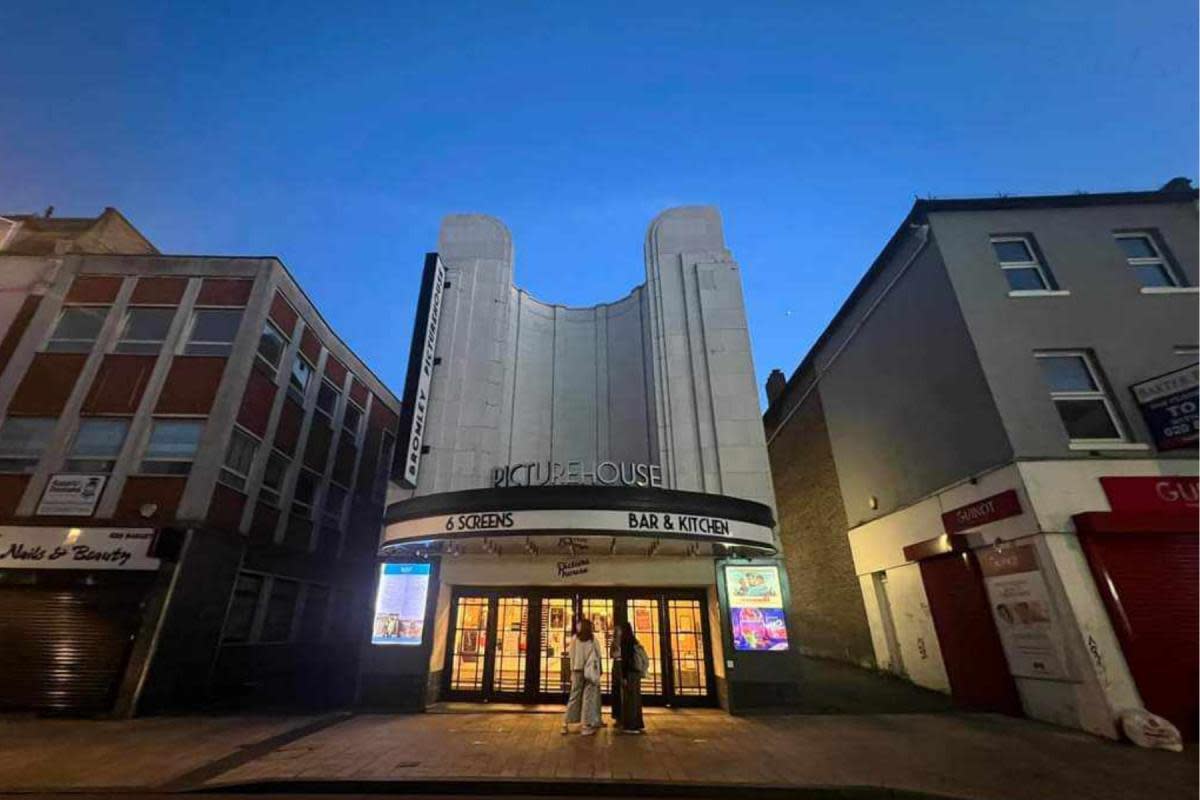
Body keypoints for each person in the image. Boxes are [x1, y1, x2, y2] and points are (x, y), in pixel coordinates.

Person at [562, 618, 603, 736]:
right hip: (589, 671)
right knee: (588, 699)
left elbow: (571, 656)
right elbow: (598, 656)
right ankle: (586, 725)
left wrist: (571, 671)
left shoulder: (575, 639)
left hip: (577, 670)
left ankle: (565, 723)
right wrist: (599, 670)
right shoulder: (593, 639)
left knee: (574, 696)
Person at [615, 620, 645, 734]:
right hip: (636, 672)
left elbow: (626, 660)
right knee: (636, 699)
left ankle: (631, 725)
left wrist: (624, 676)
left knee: (629, 700)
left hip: (629, 673)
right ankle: (637, 723)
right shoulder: (634, 640)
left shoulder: (625, 642)